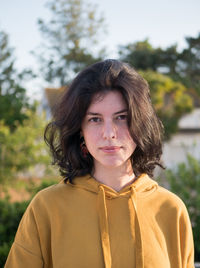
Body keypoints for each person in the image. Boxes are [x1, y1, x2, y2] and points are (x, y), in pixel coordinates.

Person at [5, 59, 194, 268]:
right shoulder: (46, 208)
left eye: (121, 117)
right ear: (80, 130)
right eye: (95, 119)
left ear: (140, 123)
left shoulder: (171, 209)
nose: (109, 133)